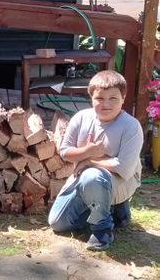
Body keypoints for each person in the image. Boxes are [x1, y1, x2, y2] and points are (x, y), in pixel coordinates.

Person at [48, 70, 143, 251]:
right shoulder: (81, 118)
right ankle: (113, 211)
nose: (105, 104)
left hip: (120, 180)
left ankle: (102, 229)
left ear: (123, 98)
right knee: (58, 223)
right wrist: (87, 151)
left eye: (113, 98)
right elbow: (65, 152)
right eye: (99, 98)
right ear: (91, 97)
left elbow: (123, 167)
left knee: (92, 175)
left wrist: (89, 161)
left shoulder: (131, 126)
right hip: (84, 180)